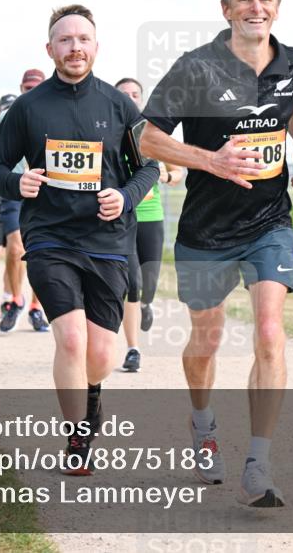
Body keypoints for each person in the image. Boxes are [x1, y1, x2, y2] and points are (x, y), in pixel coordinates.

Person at [140, 0, 293, 507]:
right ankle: (203, 422)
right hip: (207, 230)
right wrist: (210, 160)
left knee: (269, 332)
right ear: (226, 9)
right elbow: (145, 137)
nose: (255, 7)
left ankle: (258, 463)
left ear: (277, 8)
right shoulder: (196, 68)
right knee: (207, 339)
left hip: (270, 222)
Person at [0, 4, 159, 474]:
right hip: (50, 239)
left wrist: (125, 196)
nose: (75, 47)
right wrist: (16, 182)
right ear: (50, 49)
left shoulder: (120, 106)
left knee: (101, 355)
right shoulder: (28, 108)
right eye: (65, 40)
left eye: (83, 39)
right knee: (72, 340)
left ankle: (92, 392)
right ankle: (77, 438)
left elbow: (149, 167)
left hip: (108, 242)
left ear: (96, 47)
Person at [114, 77, 185, 373]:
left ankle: (146, 304)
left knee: (149, 282)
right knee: (133, 283)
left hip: (151, 216)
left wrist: (163, 176)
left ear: (142, 99)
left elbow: (178, 172)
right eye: (124, 94)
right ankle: (133, 349)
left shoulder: (153, 134)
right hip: (121, 218)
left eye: (135, 94)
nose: (130, 98)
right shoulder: (108, 131)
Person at [0, 92, 50, 332]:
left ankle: (28, 306)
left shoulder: (41, 125)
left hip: (35, 194)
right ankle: (4, 289)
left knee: (33, 252)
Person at [0, 69, 53, 333]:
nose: (32, 92)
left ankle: (35, 308)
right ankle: (15, 300)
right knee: (15, 248)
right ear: (21, 89)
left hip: (45, 191)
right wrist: (12, 180)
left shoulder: (55, 113)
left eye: (37, 87)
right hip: (16, 190)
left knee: (40, 251)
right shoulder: (7, 117)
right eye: (28, 88)